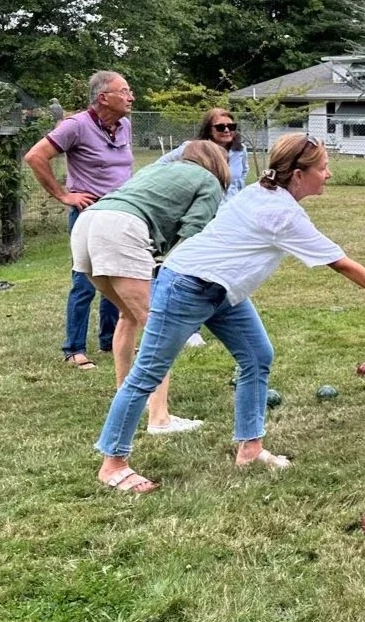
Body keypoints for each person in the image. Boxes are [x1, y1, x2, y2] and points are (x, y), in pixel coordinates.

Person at [95, 133, 365, 494]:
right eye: (323, 168)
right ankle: (112, 463)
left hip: (221, 290)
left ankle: (250, 449)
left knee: (257, 356)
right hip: (187, 285)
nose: (329, 174)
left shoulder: (263, 190)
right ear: (299, 175)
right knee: (148, 373)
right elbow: (342, 264)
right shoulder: (282, 212)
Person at [71, 140, 230, 434]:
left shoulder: (159, 169)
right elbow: (194, 232)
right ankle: (160, 418)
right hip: (122, 229)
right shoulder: (209, 181)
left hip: (87, 223)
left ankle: (126, 395)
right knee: (159, 325)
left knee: (128, 315)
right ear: (219, 164)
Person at [24, 71, 134, 370]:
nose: (131, 97)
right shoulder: (76, 125)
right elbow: (35, 156)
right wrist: (64, 195)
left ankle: (110, 339)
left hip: (121, 213)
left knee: (118, 277)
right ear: (103, 97)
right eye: (124, 91)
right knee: (85, 281)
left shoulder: (124, 125)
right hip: (89, 215)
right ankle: (74, 349)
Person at [159, 108, 250, 348]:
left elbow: (240, 180)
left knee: (223, 270)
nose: (228, 130)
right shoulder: (193, 148)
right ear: (208, 130)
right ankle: (191, 329)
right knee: (195, 272)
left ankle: (222, 319)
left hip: (229, 221)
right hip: (202, 217)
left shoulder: (240, 151)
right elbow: (161, 165)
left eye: (232, 126)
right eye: (221, 127)